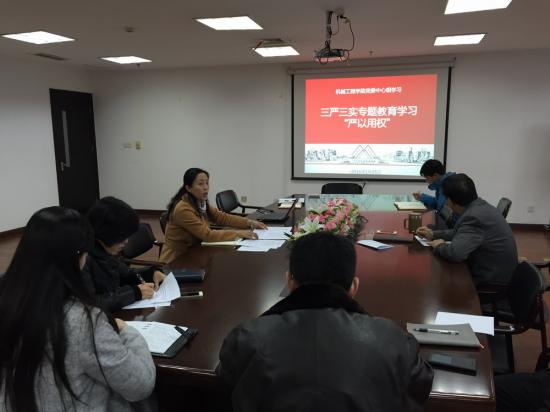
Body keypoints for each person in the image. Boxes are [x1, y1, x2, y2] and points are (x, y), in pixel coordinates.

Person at [217, 232, 433, 412]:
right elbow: (419, 387)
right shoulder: (394, 340)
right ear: (353, 287)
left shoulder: (247, 337)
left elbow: (224, 384)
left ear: (289, 281)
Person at [0, 207, 156, 411]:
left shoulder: (8, 302)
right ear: (78, 256)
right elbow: (140, 385)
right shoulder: (82, 321)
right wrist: (128, 332)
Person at [417, 173, 518, 286]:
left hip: (490, 282)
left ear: (450, 200)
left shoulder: (473, 217)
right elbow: (458, 233)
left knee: (435, 281)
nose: (445, 203)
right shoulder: (480, 206)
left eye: (445, 198)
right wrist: (433, 234)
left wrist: (439, 245)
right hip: (495, 271)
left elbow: (455, 253)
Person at [160, 168, 266, 263]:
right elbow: (207, 235)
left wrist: (249, 222)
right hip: (177, 260)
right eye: (200, 184)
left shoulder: (200, 202)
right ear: (188, 188)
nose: (206, 187)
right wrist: (239, 233)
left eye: (207, 183)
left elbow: (222, 218)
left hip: (196, 250)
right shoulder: (183, 209)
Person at [83, 196, 166, 311]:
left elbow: (125, 274)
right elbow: (91, 303)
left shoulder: (105, 249)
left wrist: (150, 273)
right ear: (106, 232)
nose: (126, 241)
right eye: (122, 236)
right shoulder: (83, 259)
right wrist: (135, 293)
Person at [413, 159, 455, 224]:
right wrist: (422, 197)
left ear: (435, 175)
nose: (426, 181)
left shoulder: (449, 186)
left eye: (427, 178)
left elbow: (445, 215)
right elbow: (439, 204)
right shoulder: (442, 184)